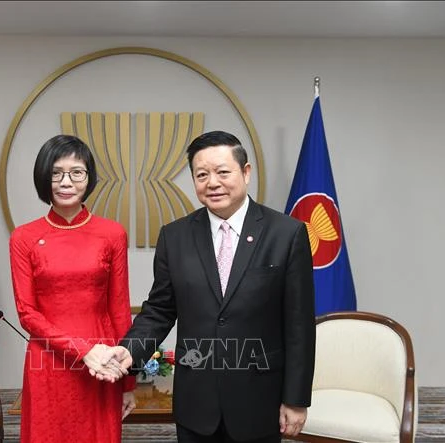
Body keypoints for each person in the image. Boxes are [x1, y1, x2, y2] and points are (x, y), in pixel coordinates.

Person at [102, 131, 316, 442]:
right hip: (196, 402)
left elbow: (299, 324)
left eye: (222, 172)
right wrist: (128, 351)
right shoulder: (174, 237)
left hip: (260, 399)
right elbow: (160, 311)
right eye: (201, 175)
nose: (212, 182)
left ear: (245, 172)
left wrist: (296, 399)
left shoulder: (287, 233)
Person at [9, 134, 136, 443]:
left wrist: (128, 382)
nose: (66, 181)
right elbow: (27, 314)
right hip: (49, 361)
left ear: (88, 178)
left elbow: (119, 307)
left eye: (76, 172)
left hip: (103, 361)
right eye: (56, 172)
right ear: (44, 177)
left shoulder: (112, 233)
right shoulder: (23, 237)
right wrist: (84, 351)